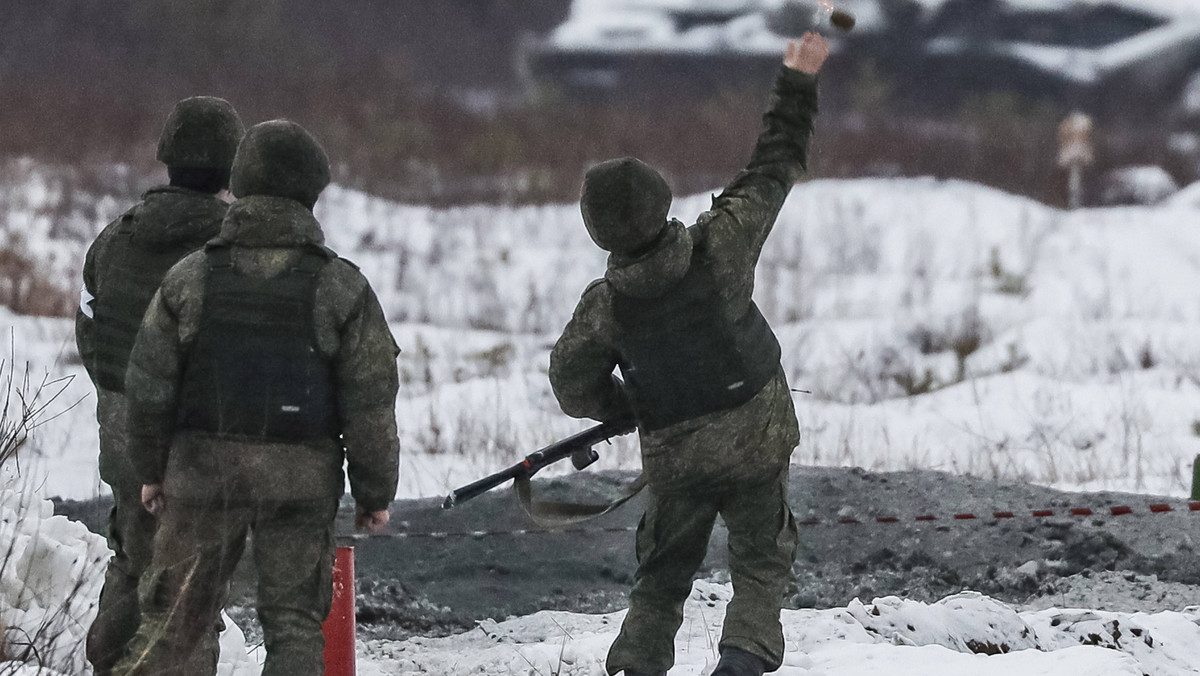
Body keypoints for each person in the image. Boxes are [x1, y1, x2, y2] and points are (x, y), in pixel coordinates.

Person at [548, 32, 829, 676]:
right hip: (757, 439)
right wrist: (797, 80)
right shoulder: (721, 247)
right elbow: (775, 162)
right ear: (662, 202)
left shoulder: (605, 305)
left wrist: (620, 405)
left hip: (675, 457)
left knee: (662, 572)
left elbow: (571, 384)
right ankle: (744, 659)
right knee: (762, 560)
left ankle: (637, 665)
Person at [113, 119, 400, 675]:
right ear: (313, 192)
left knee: (176, 622)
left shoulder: (189, 278)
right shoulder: (343, 286)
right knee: (294, 623)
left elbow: (148, 386)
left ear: (239, 184)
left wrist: (150, 469)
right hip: (301, 478)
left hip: (200, 474)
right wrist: (373, 491)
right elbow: (370, 399)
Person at [77, 95, 244, 676]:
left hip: (123, 433)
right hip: (198, 438)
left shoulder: (112, 240)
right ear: (232, 166)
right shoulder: (238, 247)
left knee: (133, 557)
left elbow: (91, 334)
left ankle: (108, 662)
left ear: (167, 156)